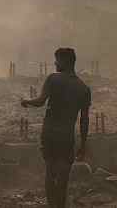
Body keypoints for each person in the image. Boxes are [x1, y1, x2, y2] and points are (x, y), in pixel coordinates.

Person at [21, 47, 91, 208]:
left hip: (50, 134)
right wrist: (84, 144)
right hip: (67, 137)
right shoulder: (83, 88)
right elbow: (84, 120)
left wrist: (26, 101)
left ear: (65, 61)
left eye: (57, 60)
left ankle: (52, 204)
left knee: (51, 172)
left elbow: (40, 101)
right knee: (64, 176)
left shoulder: (53, 79)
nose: (55, 63)